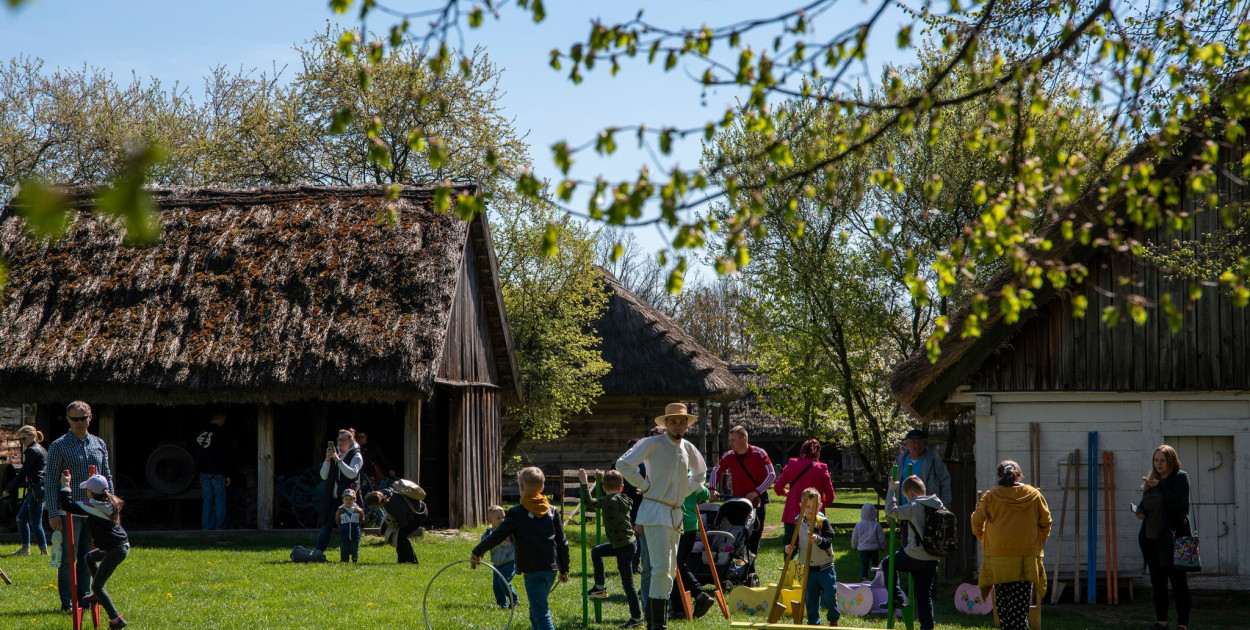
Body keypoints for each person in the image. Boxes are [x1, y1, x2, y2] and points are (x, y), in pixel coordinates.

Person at [616, 402, 707, 630]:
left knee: (669, 569)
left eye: (682, 421)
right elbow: (623, 464)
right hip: (655, 511)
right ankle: (656, 625)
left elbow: (700, 474)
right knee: (659, 567)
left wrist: (682, 490)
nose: (678, 426)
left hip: (676, 514)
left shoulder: (688, 447)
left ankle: (659, 623)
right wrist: (644, 486)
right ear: (665, 423)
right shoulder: (653, 443)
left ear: (687, 424)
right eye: (673, 421)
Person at [472, 467, 571, 630]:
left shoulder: (517, 513)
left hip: (533, 571)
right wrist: (564, 569)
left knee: (540, 611)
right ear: (542, 488)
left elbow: (497, 535)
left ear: (522, 487)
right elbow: (562, 542)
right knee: (535, 609)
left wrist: (477, 551)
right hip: (551, 569)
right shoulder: (552, 510)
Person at [46, 401, 114, 613]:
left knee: (89, 557)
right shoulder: (59, 445)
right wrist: (53, 511)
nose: (79, 422)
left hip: (94, 510)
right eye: (75, 419)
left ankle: (84, 598)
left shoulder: (98, 443)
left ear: (90, 417)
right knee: (69, 558)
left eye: (83, 418)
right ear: (68, 420)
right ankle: (67, 602)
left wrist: (110, 505)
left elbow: (106, 476)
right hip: (69, 511)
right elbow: (50, 481)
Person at [970, 460, 1051, 630]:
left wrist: (985, 539)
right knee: (1020, 613)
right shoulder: (1034, 495)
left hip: (998, 560)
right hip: (1025, 559)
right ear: (1019, 475)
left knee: (1004, 611)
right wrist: (1038, 543)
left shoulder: (991, 497)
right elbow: (1046, 522)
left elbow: (976, 523)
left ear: (999, 477)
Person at [59, 472, 129, 629]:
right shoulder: (109, 502)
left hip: (115, 550)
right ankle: (98, 595)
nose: (86, 492)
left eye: (87, 490)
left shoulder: (93, 506)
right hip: (119, 546)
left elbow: (67, 506)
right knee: (89, 558)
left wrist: (65, 486)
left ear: (91, 492)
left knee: (97, 585)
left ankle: (116, 619)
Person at [1136, 444, 1193, 630]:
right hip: (1151, 539)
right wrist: (1140, 511)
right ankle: (1161, 621)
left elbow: (1179, 505)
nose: (1158, 464)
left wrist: (1160, 487)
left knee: (1178, 583)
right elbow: (1145, 503)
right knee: (1158, 582)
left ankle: (1182, 623)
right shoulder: (1152, 480)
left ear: (1171, 461)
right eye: (1155, 460)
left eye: (1162, 461)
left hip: (1174, 539)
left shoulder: (1179, 478)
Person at [580, 469, 643, 628]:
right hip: (627, 544)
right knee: (597, 551)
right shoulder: (624, 498)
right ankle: (599, 587)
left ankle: (636, 619)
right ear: (622, 487)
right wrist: (601, 478)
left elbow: (589, 502)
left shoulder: (609, 501)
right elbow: (607, 497)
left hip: (623, 547)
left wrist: (584, 482)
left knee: (628, 584)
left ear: (603, 487)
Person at [886, 475, 943, 630]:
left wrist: (891, 490)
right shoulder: (937, 504)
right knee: (924, 596)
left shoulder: (914, 506)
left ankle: (896, 596)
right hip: (932, 557)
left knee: (887, 563)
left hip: (914, 555)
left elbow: (891, 511)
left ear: (911, 493)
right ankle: (927, 627)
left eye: (907, 496)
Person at [710, 425, 775, 556]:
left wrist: (756, 492)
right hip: (738, 501)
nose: (730, 443)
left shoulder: (759, 453)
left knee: (755, 534)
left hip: (757, 501)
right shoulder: (728, 456)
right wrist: (712, 489)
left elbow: (771, 475)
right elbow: (716, 471)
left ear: (743, 439)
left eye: (733, 440)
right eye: (729, 440)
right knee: (738, 534)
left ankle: (750, 565)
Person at [785, 488, 839, 627]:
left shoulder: (822, 522)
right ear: (801, 506)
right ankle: (813, 622)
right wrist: (789, 549)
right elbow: (793, 541)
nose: (810, 509)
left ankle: (833, 618)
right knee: (811, 598)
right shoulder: (798, 523)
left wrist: (818, 539)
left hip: (825, 567)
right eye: (807, 506)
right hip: (809, 568)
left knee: (829, 596)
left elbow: (828, 541)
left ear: (820, 506)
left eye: (814, 506)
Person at [773, 439, 836, 544]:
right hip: (815, 515)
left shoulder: (792, 464)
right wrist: (819, 503)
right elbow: (830, 497)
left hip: (792, 513)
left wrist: (788, 493)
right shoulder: (822, 468)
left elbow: (777, 488)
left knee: (790, 547)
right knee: (813, 548)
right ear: (818, 452)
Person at [314, 428, 363, 558]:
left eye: (344, 439)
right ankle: (318, 553)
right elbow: (323, 475)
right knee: (327, 526)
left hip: (348, 500)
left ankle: (348, 558)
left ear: (351, 441)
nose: (340, 442)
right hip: (333, 498)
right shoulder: (335, 454)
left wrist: (338, 460)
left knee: (347, 529)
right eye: (339, 439)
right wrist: (328, 460)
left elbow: (352, 473)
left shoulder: (356, 455)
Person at [3, 425, 48, 556]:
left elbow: (23, 473)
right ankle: (25, 549)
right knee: (21, 518)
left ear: (33, 436)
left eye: (23, 438)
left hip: (36, 489)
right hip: (37, 488)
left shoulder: (33, 451)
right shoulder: (41, 449)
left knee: (36, 522)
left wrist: (9, 488)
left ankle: (44, 551)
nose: (22, 442)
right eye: (20, 439)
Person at [364, 487, 427, 564]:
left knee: (401, 537)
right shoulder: (384, 492)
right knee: (399, 537)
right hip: (415, 510)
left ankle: (412, 561)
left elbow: (403, 522)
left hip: (419, 515)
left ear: (377, 503)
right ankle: (401, 560)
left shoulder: (392, 507)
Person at [892, 428, 952, 506]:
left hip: (927, 510)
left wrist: (945, 505)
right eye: (914, 442)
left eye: (920, 442)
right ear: (907, 444)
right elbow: (892, 485)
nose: (917, 445)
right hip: (903, 510)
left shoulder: (934, 461)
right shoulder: (899, 461)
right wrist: (890, 508)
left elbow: (945, 483)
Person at [192, 410, 230, 531]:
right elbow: (223, 454)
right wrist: (227, 474)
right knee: (219, 500)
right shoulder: (220, 433)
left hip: (203, 472)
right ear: (219, 417)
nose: (224, 421)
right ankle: (219, 527)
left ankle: (206, 527)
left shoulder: (199, 432)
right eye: (223, 418)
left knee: (207, 500)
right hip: (217, 472)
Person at [481, 505, 519, 609]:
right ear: (490, 520)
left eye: (503, 517)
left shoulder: (509, 531)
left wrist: (509, 540)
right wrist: (478, 556)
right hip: (497, 564)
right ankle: (502, 605)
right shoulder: (488, 534)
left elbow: (516, 540)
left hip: (509, 562)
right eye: (498, 518)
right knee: (496, 586)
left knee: (503, 581)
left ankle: (514, 599)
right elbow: (482, 547)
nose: (502, 520)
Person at [851, 503, 886, 582]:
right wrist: (882, 546)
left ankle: (864, 578)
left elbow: (855, 537)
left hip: (863, 549)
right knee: (875, 564)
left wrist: (854, 546)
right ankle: (876, 577)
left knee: (864, 564)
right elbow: (881, 537)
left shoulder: (858, 525)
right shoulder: (876, 525)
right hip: (874, 548)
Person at [335, 488, 364, 563]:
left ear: (355, 500)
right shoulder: (340, 511)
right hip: (344, 534)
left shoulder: (358, 511)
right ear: (343, 500)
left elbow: (361, 519)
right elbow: (337, 520)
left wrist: (357, 526)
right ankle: (344, 561)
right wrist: (340, 526)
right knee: (344, 548)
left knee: (354, 549)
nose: (348, 501)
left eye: (351, 499)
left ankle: (355, 560)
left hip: (355, 534)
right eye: (346, 499)